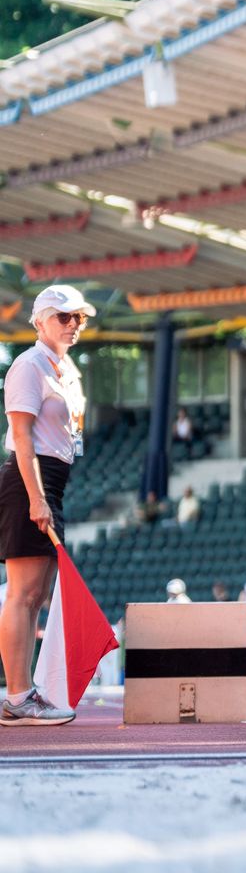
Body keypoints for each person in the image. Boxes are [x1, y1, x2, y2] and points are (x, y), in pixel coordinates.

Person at [1, 285, 95, 726]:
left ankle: (24, 693)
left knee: (37, 595)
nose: (73, 324)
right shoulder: (29, 364)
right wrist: (37, 499)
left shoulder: (66, 368)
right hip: (29, 480)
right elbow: (22, 438)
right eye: (63, 317)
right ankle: (18, 697)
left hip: (52, 480)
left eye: (79, 317)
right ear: (39, 321)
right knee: (22, 594)